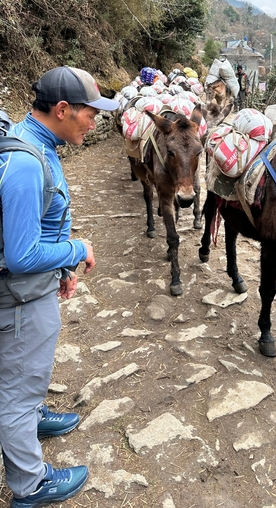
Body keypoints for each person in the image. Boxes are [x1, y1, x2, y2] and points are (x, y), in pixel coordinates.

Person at [0, 66, 119, 507]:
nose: (96, 121)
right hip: (17, 300)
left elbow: (43, 223)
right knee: (16, 390)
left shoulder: (39, 144)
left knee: (23, 383)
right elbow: (22, 254)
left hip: (31, 290)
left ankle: (32, 415)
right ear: (63, 109)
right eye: (90, 113)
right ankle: (30, 486)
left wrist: (62, 270)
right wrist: (76, 249)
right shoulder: (27, 164)